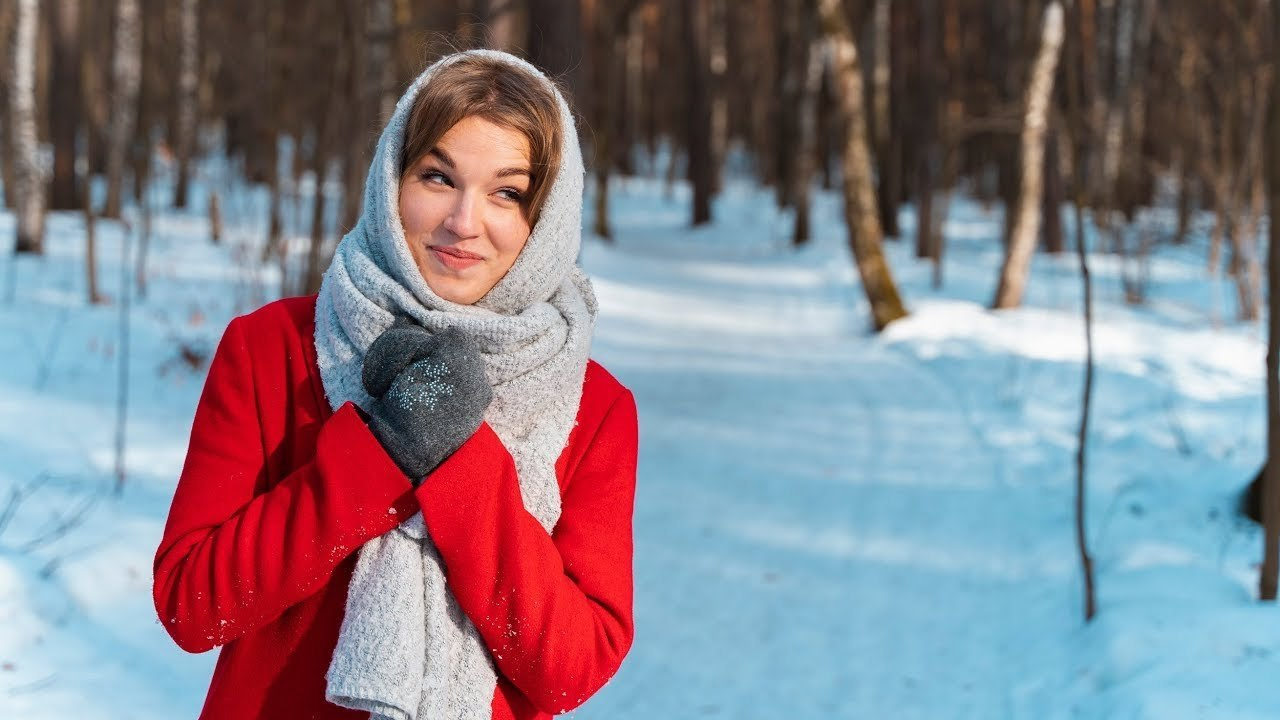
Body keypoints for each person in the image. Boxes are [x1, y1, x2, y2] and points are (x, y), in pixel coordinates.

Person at [152, 49, 638, 720]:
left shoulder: (596, 408)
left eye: (507, 192)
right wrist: (377, 453)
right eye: (438, 177)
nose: (464, 222)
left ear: (545, 218)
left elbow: (569, 670)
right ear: (392, 180)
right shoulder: (272, 351)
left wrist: (460, 461)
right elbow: (192, 606)